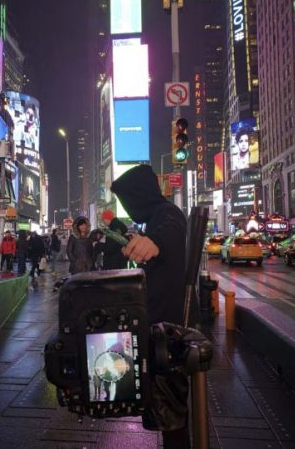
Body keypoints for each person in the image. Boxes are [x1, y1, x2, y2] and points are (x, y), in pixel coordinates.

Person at [111, 164, 196, 449]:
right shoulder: (153, 218)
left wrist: (153, 243)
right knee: (166, 414)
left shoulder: (167, 213)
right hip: (160, 326)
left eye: (127, 200)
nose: (127, 207)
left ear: (140, 195)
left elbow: (171, 232)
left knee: (172, 418)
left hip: (169, 332)